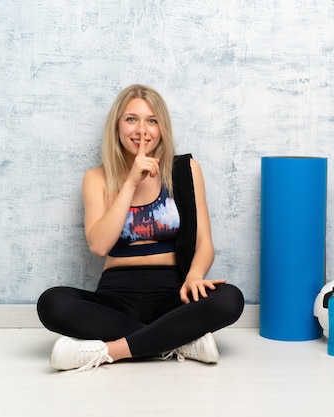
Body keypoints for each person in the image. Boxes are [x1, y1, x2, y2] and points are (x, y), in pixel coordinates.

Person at [37, 84, 245, 371]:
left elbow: (204, 242)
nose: (141, 130)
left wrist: (195, 276)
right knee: (52, 303)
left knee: (230, 299)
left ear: (162, 128)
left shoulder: (184, 170)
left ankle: (111, 350)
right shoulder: (96, 178)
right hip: (115, 296)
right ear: (117, 125)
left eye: (152, 120)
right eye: (131, 119)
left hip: (174, 293)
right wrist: (131, 181)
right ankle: (177, 340)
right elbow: (99, 246)